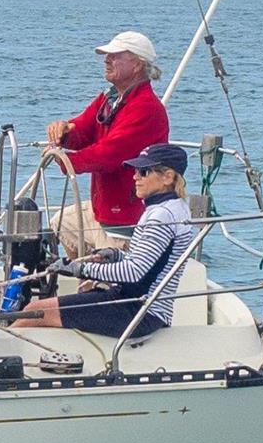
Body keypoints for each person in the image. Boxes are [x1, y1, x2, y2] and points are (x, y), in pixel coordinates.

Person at [13, 144, 193, 339]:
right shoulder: (175, 208)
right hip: (139, 304)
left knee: (33, 312)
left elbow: (134, 272)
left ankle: (1, 357)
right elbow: (148, 262)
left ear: (168, 177)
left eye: (144, 171)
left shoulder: (161, 215)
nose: (135, 177)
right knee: (37, 310)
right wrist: (116, 255)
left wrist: (80, 269)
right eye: (135, 171)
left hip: (139, 311)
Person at [46, 31, 169, 259]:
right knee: (63, 221)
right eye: (107, 56)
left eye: (115, 56)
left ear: (137, 65)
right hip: (105, 209)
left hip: (126, 216)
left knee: (109, 279)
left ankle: (95, 285)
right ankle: (86, 280)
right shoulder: (110, 98)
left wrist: (66, 161)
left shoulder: (146, 108)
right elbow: (82, 129)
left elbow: (110, 155)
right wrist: (63, 131)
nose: (107, 60)